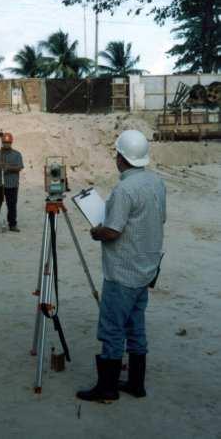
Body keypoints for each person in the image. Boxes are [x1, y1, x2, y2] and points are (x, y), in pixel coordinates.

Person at [76, 129, 166, 404]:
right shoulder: (156, 182)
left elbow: (112, 231)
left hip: (123, 272)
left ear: (121, 157)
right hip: (146, 268)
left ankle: (107, 388)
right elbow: (159, 218)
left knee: (113, 329)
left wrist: (96, 232)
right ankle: (136, 383)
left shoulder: (125, 189)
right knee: (135, 326)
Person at [0, 132, 24, 233]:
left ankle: (12, 225)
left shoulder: (17, 154)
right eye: (5, 142)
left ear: (11, 143)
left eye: (8, 142)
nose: (6, 144)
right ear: (2, 142)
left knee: (12, 206)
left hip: (12, 185)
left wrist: (8, 168)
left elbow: (19, 167)